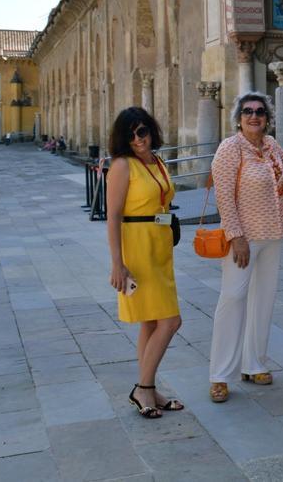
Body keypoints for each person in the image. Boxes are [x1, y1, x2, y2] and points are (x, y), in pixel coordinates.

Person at [206, 92, 283, 402]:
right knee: (233, 298)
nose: (254, 116)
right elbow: (224, 196)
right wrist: (235, 236)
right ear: (239, 118)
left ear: (267, 117)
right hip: (244, 239)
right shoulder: (230, 148)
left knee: (263, 301)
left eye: (259, 111)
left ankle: (254, 364)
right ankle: (219, 374)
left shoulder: (271, 146)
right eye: (247, 111)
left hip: (274, 235)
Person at [105, 107, 184, 418]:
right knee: (171, 321)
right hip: (137, 247)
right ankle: (143, 388)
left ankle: (151, 390)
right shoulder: (123, 165)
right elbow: (112, 217)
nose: (138, 139)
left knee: (151, 321)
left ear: (152, 131)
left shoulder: (157, 162)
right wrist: (117, 263)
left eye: (143, 131)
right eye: (131, 134)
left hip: (159, 245)